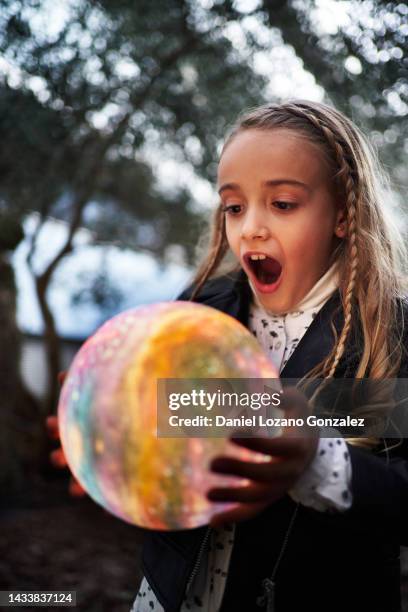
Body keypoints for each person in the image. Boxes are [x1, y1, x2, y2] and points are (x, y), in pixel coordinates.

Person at [131, 100, 408, 612]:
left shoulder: (388, 335)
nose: (250, 229)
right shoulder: (197, 311)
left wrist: (316, 460)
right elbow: (168, 425)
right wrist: (112, 430)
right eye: (234, 207)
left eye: (282, 204)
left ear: (344, 215)